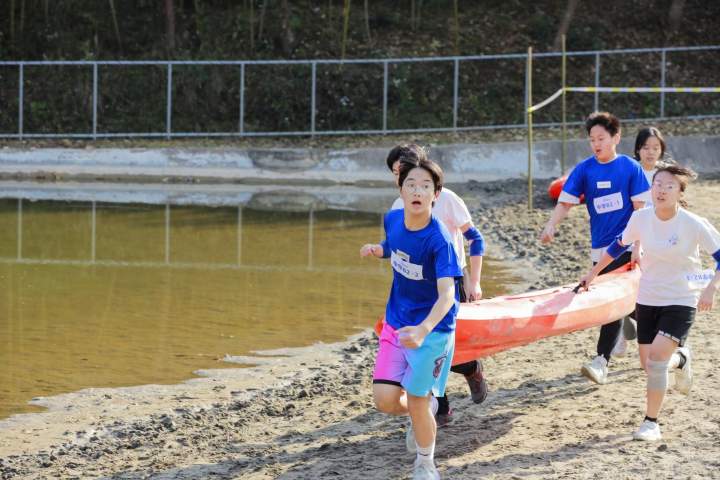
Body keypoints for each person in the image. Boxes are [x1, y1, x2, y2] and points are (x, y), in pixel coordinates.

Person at [579, 165, 720, 441]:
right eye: (657, 184)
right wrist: (592, 274)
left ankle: (651, 423)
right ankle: (681, 359)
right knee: (649, 364)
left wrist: (711, 288)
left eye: (669, 186)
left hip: (681, 298)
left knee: (655, 363)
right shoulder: (641, 218)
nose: (661, 190)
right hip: (647, 298)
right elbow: (618, 246)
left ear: (680, 192)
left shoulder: (693, 223)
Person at [361, 155, 461, 480]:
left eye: (426, 186)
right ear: (400, 190)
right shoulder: (392, 219)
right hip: (396, 322)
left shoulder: (440, 240)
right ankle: (426, 409)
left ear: (436, 194)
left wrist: (423, 329)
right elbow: (396, 245)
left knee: (417, 399)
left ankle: (425, 462)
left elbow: (448, 295)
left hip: (432, 332)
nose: (417, 191)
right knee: (385, 401)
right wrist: (380, 250)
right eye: (410, 184)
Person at [540, 111, 650, 385]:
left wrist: (638, 245)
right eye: (592, 140)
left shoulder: (629, 168)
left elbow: (641, 210)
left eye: (601, 138)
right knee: (632, 306)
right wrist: (551, 225)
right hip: (599, 251)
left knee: (609, 305)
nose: (596, 144)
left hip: (625, 249)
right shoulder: (585, 169)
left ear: (616, 137)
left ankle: (601, 361)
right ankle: (664, 331)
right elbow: (565, 201)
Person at [386, 144, 488, 423]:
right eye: (397, 174)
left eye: (404, 170)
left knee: (442, 347)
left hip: (450, 283)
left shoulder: (447, 199)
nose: (401, 177)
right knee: (420, 347)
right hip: (414, 290)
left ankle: (470, 369)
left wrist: (474, 282)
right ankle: (438, 407)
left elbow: (476, 239)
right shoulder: (397, 207)